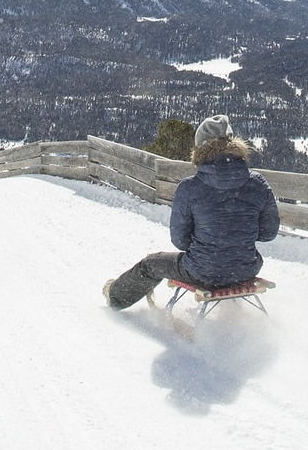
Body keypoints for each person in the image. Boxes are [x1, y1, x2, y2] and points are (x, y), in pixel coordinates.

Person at [103, 114, 279, 308]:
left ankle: (115, 297)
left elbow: (180, 240)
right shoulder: (258, 183)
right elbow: (268, 233)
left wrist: (207, 247)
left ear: (200, 148)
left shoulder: (189, 187)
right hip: (246, 268)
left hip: (202, 272)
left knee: (151, 264)